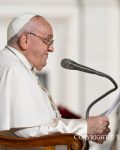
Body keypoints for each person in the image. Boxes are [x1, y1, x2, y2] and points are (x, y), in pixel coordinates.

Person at [0, 13, 110, 145]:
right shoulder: (14, 70)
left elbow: (40, 126)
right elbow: (30, 133)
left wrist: (86, 129)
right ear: (25, 40)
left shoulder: (14, 65)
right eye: (47, 41)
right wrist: (85, 127)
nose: (51, 48)